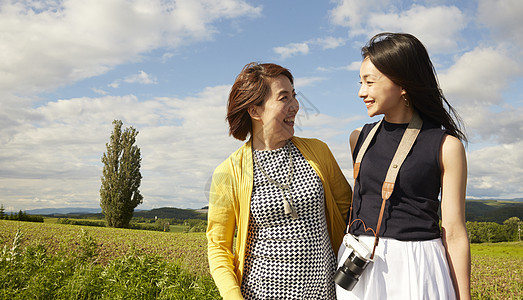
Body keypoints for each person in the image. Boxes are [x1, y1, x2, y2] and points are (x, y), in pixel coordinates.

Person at [337, 33, 471, 299]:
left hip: (417, 265)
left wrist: (463, 296)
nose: (361, 91)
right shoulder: (358, 138)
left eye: (370, 82)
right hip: (360, 264)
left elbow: (454, 232)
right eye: (360, 82)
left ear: (402, 84)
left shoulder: (446, 145)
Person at [207, 62, 352, 299]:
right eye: (284, 98)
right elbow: (218, 248)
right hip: (260, 293)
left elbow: (350, 213)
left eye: (294, 96)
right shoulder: (228, 173)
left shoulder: (319, 152)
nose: (295, 105)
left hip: (324, 293)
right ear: (255, 111)